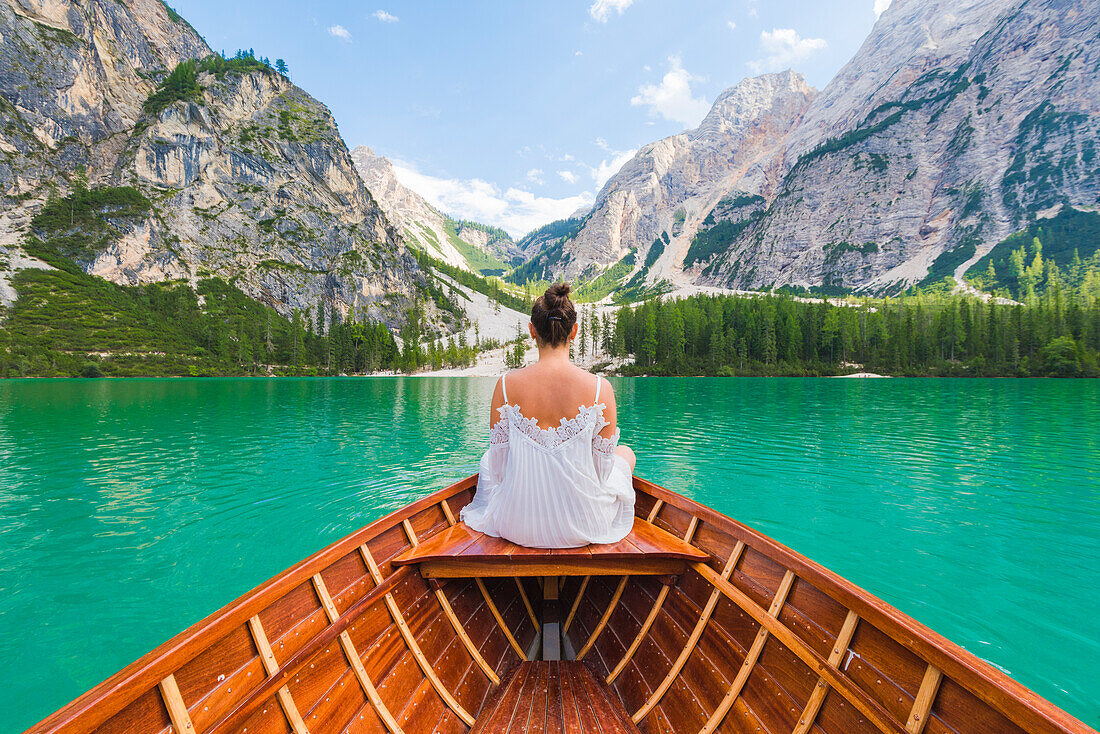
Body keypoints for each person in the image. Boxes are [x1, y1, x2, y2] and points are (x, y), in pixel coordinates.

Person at [460, 283, 636, 548]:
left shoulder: (506, 386)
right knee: (626, 454)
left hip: (515, 524)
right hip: (586, 525)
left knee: (487, 459)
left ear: (532, 331)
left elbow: (498, 470)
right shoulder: (601, 389)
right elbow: (601, 474)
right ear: (574, 331)